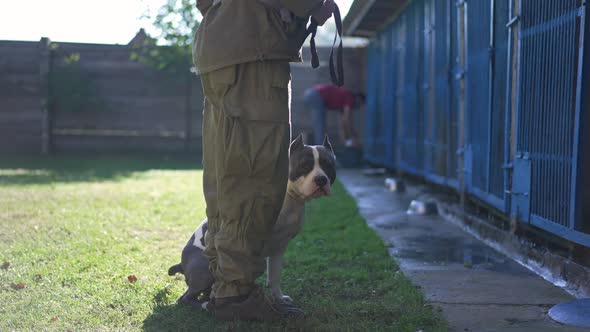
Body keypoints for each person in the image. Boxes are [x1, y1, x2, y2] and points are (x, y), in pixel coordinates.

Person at [193, 0, 335, 322]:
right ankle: (235, 293)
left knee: (226, 173)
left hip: (223, 46)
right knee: (254, 177)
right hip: (252, 52)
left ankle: (223, 281)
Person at [303, 83, 365, 148]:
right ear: (358, 98)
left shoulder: (344, 101)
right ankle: (319, 149)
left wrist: (345, 142)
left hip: (311, 93)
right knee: (320, 126)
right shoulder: (350, 98)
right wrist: (352, 136)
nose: (359, 106)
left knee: (318, 124)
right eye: (360, 104)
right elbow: (347, 120)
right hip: (315, 95)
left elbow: (343, 123)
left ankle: (317, 147)